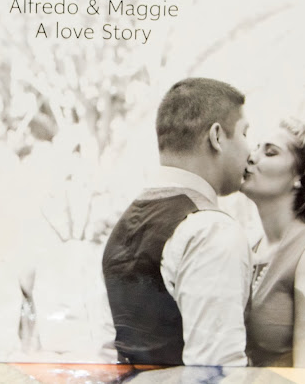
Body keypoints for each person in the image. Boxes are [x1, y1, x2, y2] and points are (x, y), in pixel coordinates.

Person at [102, 77, 253, 366]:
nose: (250, 149)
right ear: (217, 137)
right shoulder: (211, 231)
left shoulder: (122, 227)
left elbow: (107, 353)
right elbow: (215, 371)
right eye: (245, 133)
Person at [241, 119, 305, 367]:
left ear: (300, 176)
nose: (251, 157)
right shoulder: (251, 243)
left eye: (270, 152)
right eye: (256, 147)